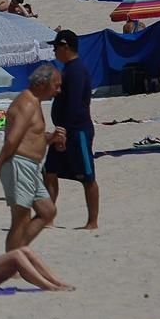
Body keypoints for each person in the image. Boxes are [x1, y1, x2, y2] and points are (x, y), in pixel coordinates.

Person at [0, 62, 59, 251]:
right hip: (19, 164)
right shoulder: (27, 103)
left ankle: (17, 254)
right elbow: (13, 139)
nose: (58, 91)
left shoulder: (34, 102)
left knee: (47, 211)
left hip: (30, 166)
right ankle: (13, 261)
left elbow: (31, 136)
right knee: (20, 219)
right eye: (56, 85)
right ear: (43, 84)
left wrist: (50, 138)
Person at [42, 30, 101, 229]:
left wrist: (63, 134)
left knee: (87, 176)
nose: (54, 51)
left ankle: (92, 222)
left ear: (65, 46)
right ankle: (48, 218)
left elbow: (75, 105)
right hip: (63, 130)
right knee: (49, 171)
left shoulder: (76, 71)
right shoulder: (68, 69)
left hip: (77, 131)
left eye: (55, 47)